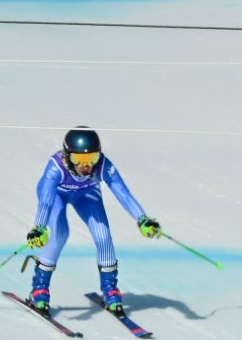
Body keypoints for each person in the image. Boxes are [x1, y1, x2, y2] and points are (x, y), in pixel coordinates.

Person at [23, 126, 162, 316]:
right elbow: (46, 199)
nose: (86, 165)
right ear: (67, 156)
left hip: (86, 194)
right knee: (59, 234)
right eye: (78, 160)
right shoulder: (56, 166)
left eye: (92, 159)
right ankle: (39, 289)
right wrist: (39, 227)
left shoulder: (104, 165)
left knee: (103, 236)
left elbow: (123, 194)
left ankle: (110, 290)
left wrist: (142, 219)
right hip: (57, 195)